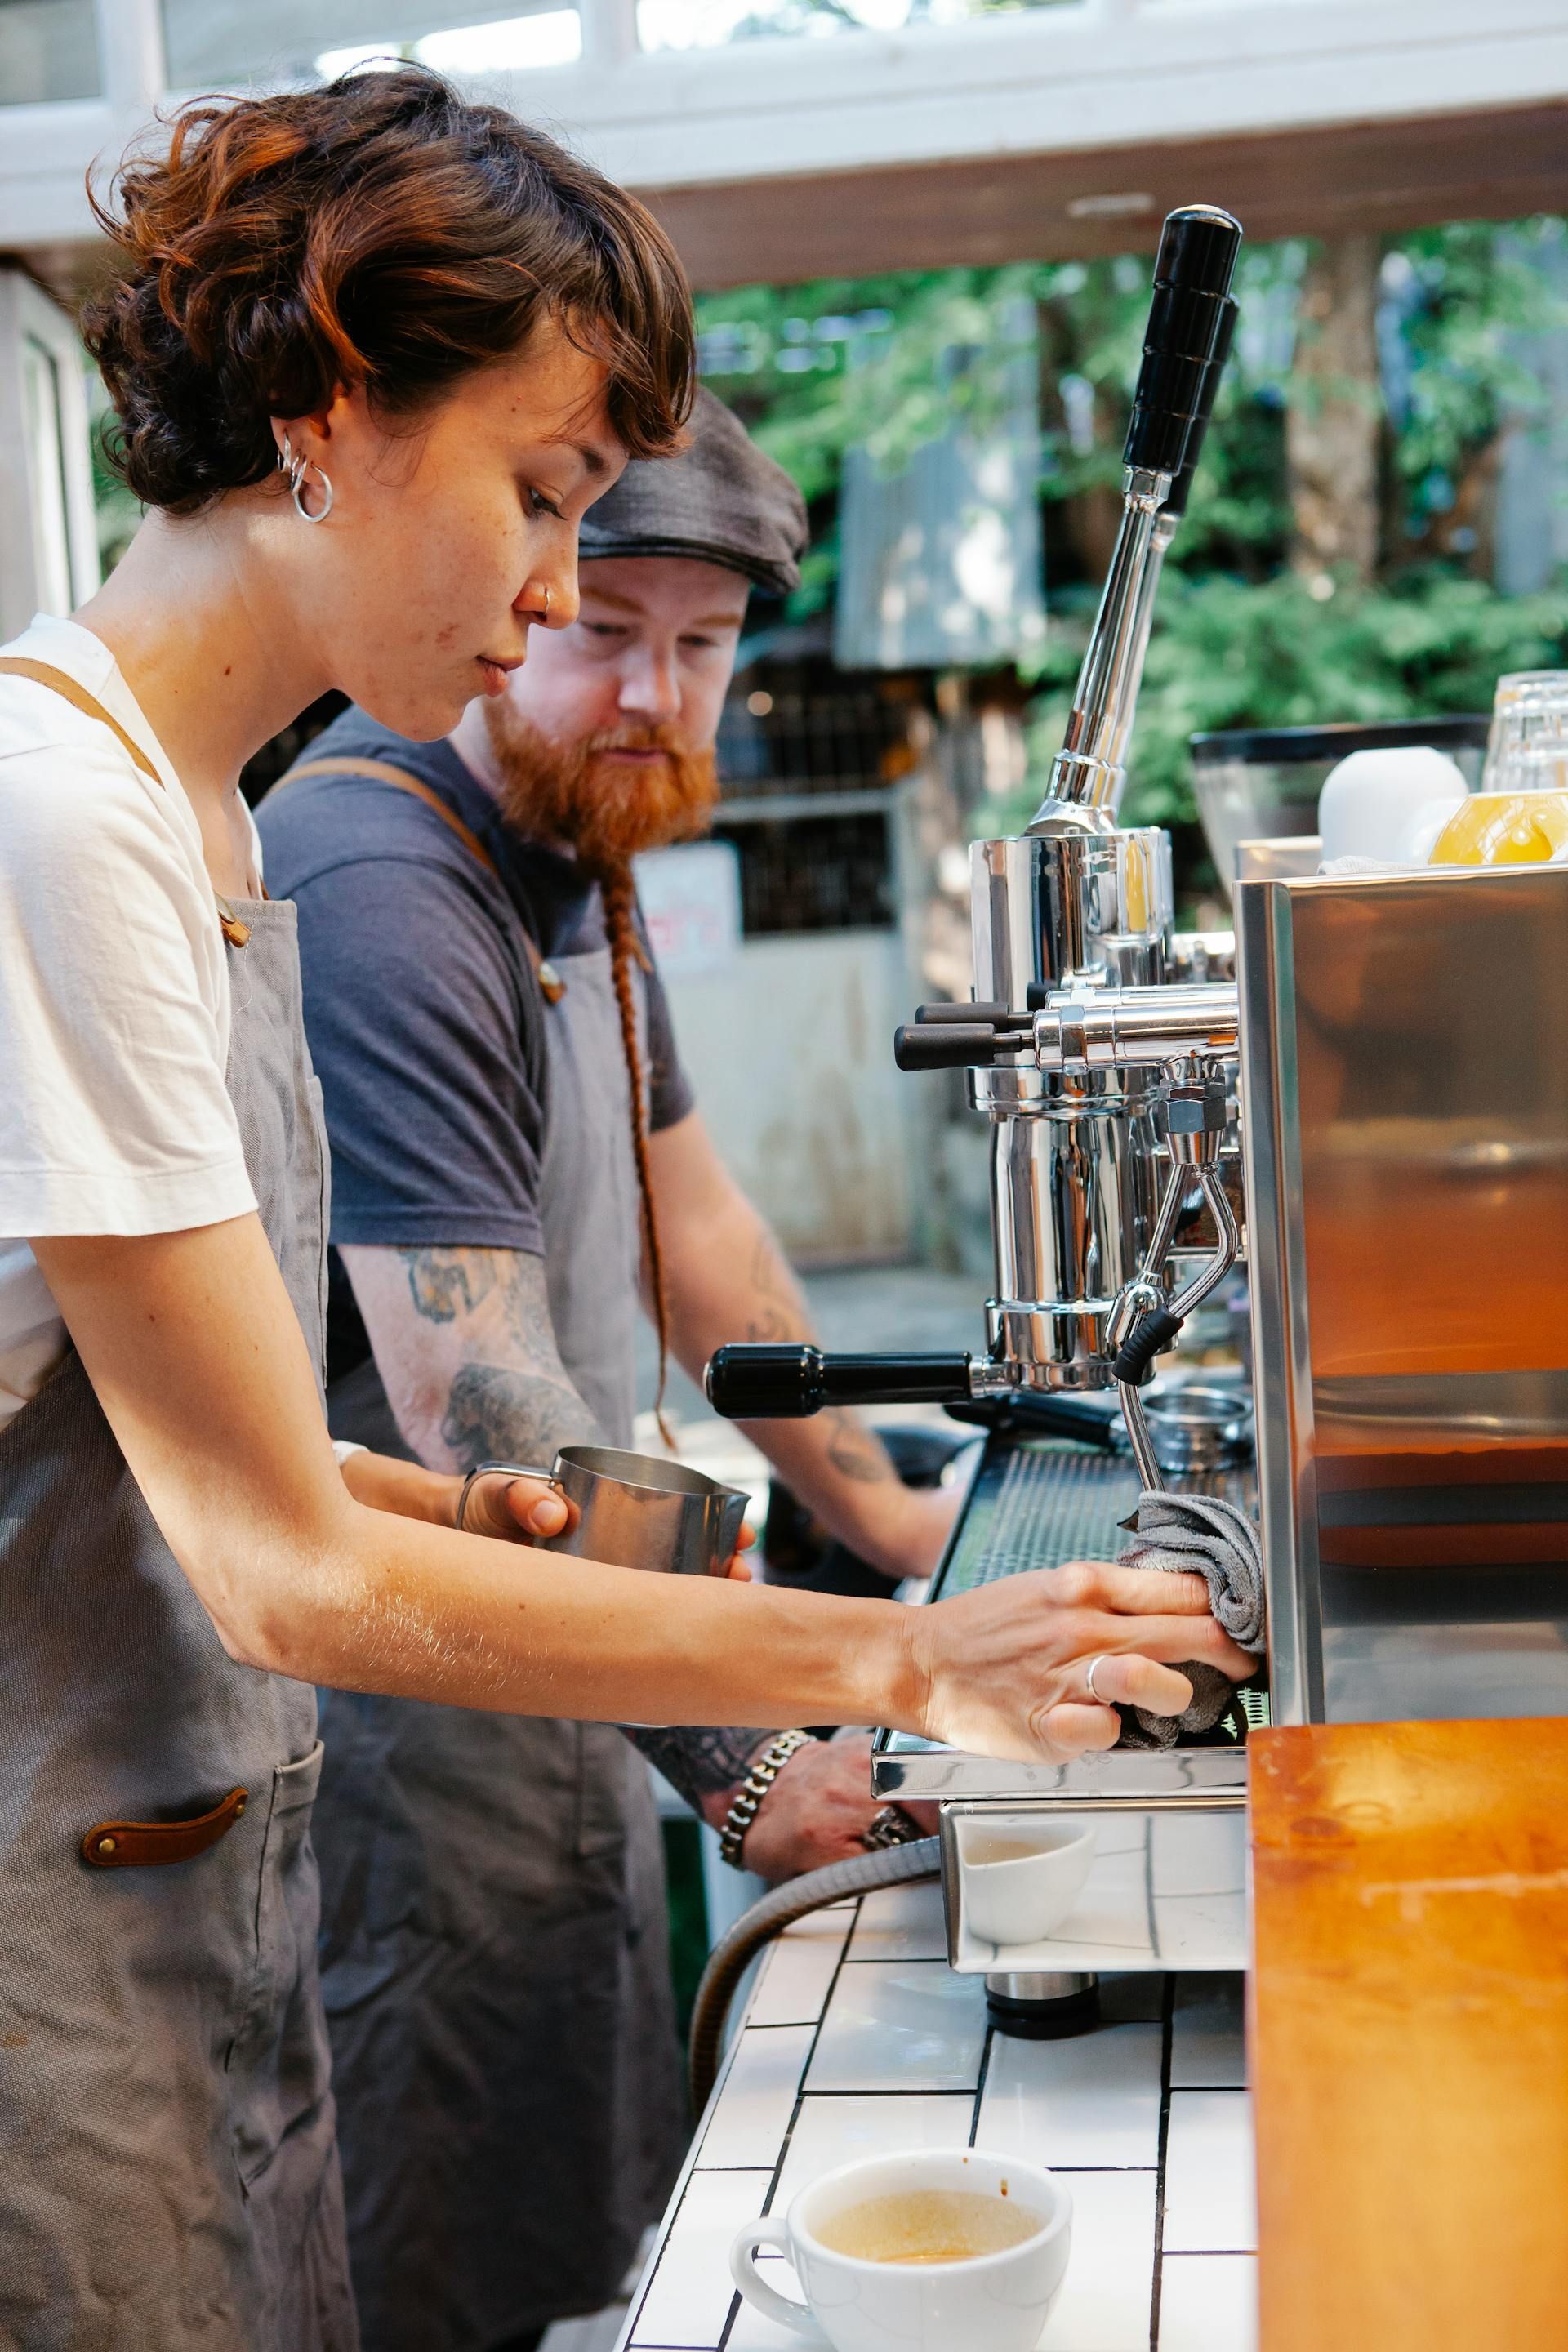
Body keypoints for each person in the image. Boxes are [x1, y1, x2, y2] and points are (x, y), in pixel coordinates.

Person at [0, 65, 1254, 2352]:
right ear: (335, 398)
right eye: (543, 495)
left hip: (208, 1894)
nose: (570, 590)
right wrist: (892, 1656)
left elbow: (163, 1447)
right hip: (66, 1951)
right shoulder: (81, 822)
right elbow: (274, 1573)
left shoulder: (202, 824)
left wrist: (407, 1484)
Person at [256, 389, 963, 2352]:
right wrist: (745, 1757)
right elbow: (484, 1409)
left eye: (705, 643)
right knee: (444, 2254)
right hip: (405, 1714)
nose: (657, 689)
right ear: (513, 597)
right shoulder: (382, 881)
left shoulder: (581, 842)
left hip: (569, 1673)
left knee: (577, 2226)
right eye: (606, 629)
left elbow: (700, 1240)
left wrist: (898, 1523)